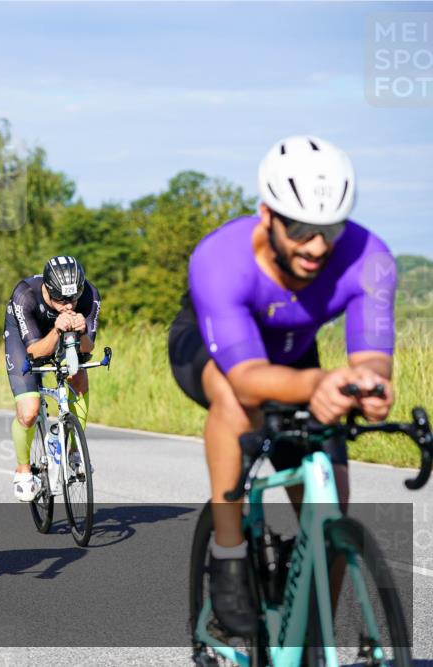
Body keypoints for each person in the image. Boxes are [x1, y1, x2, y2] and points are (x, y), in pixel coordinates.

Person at [168, 135, 397, 636]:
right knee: (237, 402)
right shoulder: (221, 258)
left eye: (330, 229)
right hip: (214, 350)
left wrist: (371, 384)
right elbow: (249, 381)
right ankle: (229, 552)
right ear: (267, 214)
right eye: (299, 228)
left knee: (330, 509)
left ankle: (312, 641)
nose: (316, 246)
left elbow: (372, 354)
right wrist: (319, 383)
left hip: (295, 356)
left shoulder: (369, 257)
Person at [3, 256, 101, 501]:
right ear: (47, 289)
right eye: (61, 300)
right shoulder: (25, 295)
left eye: (73, 299)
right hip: (27, 340)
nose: (68, 306)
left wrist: (82, 331)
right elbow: (35, 352)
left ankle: (75, 451)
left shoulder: (89, 295)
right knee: (29, 411)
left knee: (78, 376)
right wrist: (57, 329)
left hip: (65, 335)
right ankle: (23, 470)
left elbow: (88, 348)